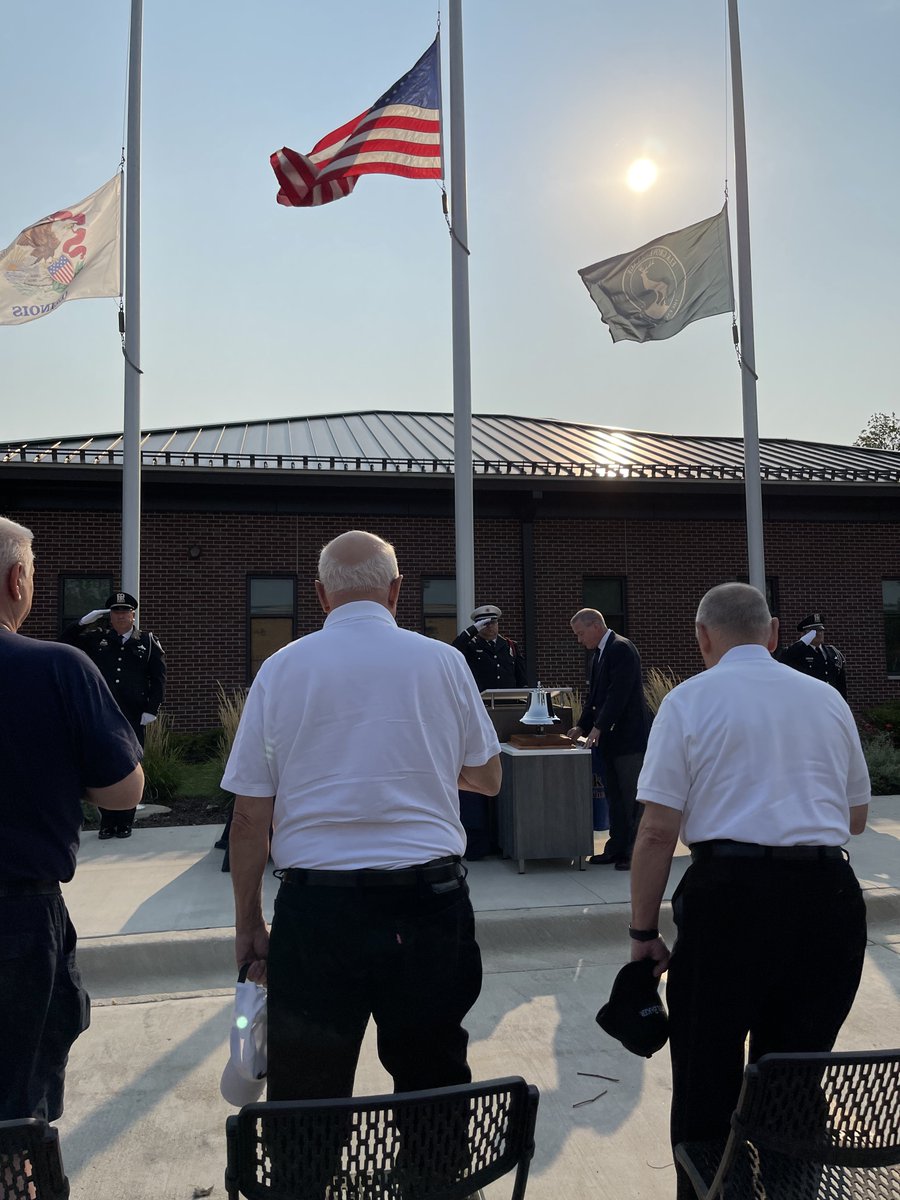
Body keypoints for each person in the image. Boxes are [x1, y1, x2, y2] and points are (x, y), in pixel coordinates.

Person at [222, 530, 502, 1102]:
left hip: (318, 909)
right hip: (429, 905)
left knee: (307, 1095)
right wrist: (422, 769)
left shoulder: (280, 669)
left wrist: (249, 922)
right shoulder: (445, 661)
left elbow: (250, 820)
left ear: (322, 596)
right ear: (396, 591)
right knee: (433, 1084)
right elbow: (488, 778)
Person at [628, 583, 869, 1200]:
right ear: (774, 632)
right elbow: (856, 817)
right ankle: (793, 1189)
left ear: (703, 637)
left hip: (729, 897)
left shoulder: (688, 701)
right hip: (828, 897)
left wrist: (644, 933)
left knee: (707, 1077)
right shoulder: (826, 700)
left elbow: (658, 831)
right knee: (794, 1075)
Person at [0, 517, 144, 1123]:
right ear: (16, 580)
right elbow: (123, 791)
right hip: (16, 922)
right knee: (15, 1116)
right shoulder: (56, 668)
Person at [60, 590, 166, 838]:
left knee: (130, 765)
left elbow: (158, 678)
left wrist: (152, 709)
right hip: (103, 711)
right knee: (103, 764)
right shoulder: (97, 639)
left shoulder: (147, 641)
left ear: (132, 615)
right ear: (110, 617)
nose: (120, 616)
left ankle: (125, 821)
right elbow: (64, 643)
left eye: (125, 612)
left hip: (133, 713)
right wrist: (81, 624)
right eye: (116, 612)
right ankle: (107, 823)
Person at [567, 608, 650, 870]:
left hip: (628, 739)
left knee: (631, 797)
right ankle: (616, 847)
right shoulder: (599, 655)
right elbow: (595, 697)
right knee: (614, 797)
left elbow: (618, 694)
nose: (580, 640)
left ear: (595, 626)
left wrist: (599, 727)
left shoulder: (621, 649)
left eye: (581, 633)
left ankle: (634, 852)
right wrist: (581, 726)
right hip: (611, 741)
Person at [452, 604, 527, 692]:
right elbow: (454, 649)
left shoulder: (510, 645)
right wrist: (472, 630)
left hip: (508, 700)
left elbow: (521, 677)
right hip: (482, 700)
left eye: (493, 622)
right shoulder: (471, 646)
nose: (490, 626)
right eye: (485, 623)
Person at [779, 611, 847, 698]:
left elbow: (841, 684)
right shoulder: (797, 653)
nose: (819, 633)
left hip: (830, 702)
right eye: (814, 631)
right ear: (804, 634)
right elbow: (785, 658)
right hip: (808, 702)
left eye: (821, 630)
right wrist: (803, 641)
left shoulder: (833, 652)